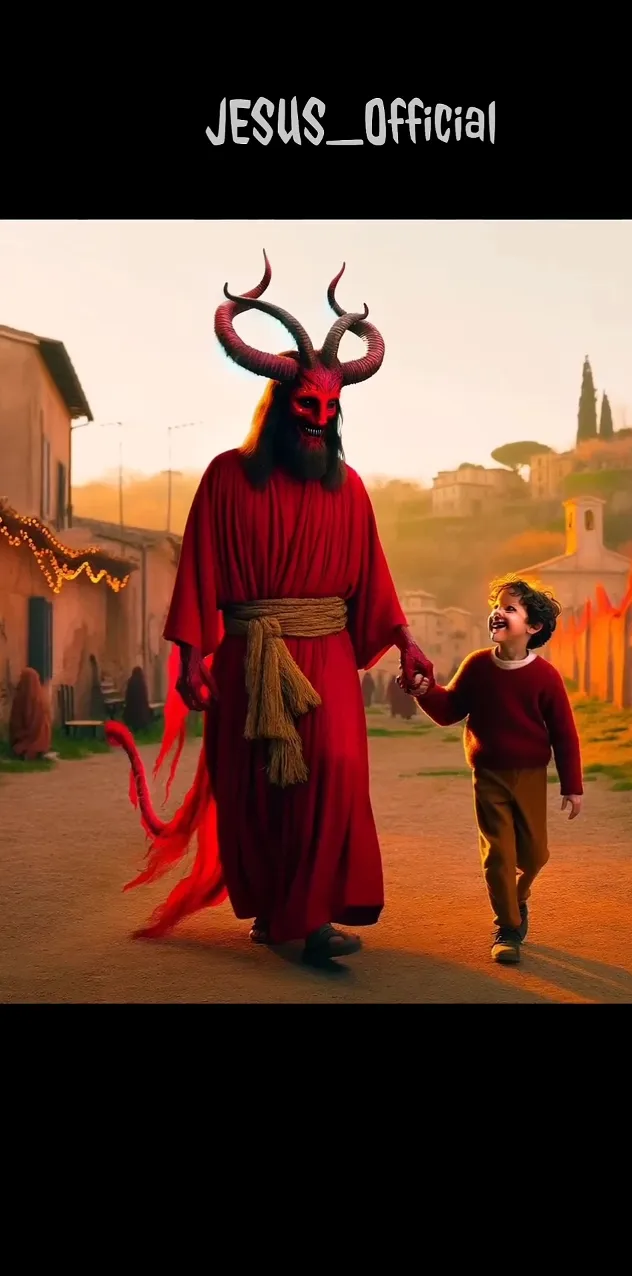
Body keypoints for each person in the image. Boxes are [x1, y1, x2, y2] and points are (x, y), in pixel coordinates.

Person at [105, 251, 433, 965]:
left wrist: (405, 641)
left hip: (328, 662)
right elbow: (201, 566)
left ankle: (309, 917)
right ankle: (287, 915)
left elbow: (372, 577)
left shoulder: (349, 492)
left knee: (337, 772)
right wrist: (193, 654)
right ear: (280, 409)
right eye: (306, 408)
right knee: (262, 794)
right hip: (251, 658)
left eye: (328, 410)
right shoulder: (227, 477)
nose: (317, 420)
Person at [398, 575, 583, 965]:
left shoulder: (545, 677)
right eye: (497, 606)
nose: (498, 613)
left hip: (530, 774)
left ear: (533, 627)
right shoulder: (478, 665)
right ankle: (508, 928)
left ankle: (519, 897)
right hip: (489, 776)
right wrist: (424, 692)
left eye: (510, 608)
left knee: (534, 856)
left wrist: (573, 785)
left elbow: (564, 732)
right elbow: (449, 710)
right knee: (498, 854)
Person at [9, 667, 52, 761]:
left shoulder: (21, 699)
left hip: (25, 737)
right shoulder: (42, 698)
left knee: (20, 745)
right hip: (41, 740)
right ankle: (38, 748)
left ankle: (28, 749)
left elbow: (16, 723)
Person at [123, 666, 152, 734]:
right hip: (141, 709)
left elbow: (127, 695)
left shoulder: (131, 681)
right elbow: (144, 696)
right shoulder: (141, 682)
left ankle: (134, 728)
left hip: (132, 708)